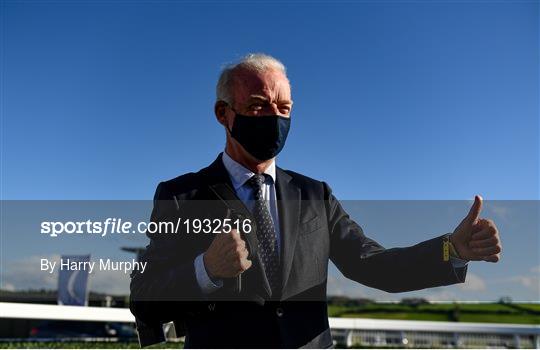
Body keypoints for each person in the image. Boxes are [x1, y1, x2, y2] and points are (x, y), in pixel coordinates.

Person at [130, 53, 502, 349]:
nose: (274, 117)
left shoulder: (314, 195)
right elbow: (144, 298)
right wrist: (205, 270)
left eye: (284, 108)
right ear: (223, 113)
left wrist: (451, 250)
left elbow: (374, 266)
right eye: (259, 105)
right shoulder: (181, 196)